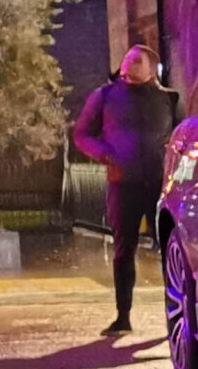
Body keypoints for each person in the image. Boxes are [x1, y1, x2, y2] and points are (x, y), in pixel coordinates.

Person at [71, 46, 177, 336]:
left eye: (138, 60)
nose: (130, 64)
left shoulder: (168, 98)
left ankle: (177, 316)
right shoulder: (105, 97)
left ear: (152, 69)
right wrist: (107, 155)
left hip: (159, 185)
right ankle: (123, 316)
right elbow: (82, 134)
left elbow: (181, 135)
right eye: (128, 59)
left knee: (170, 252)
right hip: (123, 183)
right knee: (123, 250)